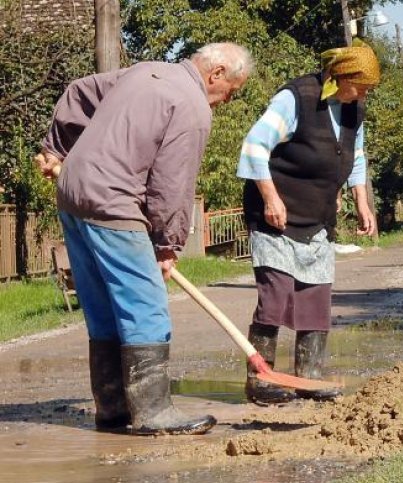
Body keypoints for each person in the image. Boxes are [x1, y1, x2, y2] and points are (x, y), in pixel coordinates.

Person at [34, 43, 253, 436]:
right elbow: (172, 183)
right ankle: (153, 412)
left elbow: (79, 91)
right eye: (231, 90)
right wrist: (167, 244)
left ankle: (113, 409)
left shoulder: (146, 71)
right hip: (114, 201)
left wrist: (56, 149)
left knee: (102, 306)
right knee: (145, 305)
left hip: (73, 192)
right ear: (216, 73)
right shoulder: (192, 106)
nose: (227, 100)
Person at [238, 42, 379, 405]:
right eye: (360, 86)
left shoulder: (353, 108)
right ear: (340, 77)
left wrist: (362, 201)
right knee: (276, 296)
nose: (364, 94)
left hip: (316, 219)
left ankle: (309, 377)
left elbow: (356, 155)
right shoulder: (296, 98)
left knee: (315, 298)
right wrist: (270, 198)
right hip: (276, 215)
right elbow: (255, 146)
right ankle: (261, 379)